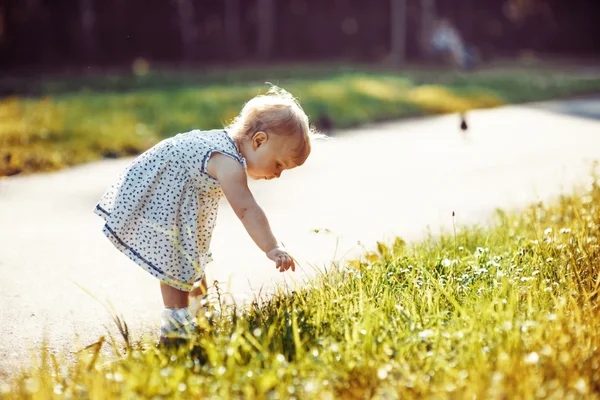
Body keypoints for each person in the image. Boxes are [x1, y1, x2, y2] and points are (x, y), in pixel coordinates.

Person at [94, 85, 319, 344]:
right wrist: (272, 247)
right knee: (177, 258)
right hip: (165, 190)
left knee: (193, 254)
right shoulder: (228, 163)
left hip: (179, 191)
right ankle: (176, 329)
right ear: (258, 141)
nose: (278, 174)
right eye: (279, 163)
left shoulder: (226, 148)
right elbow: (247, 210)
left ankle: (201, 314)